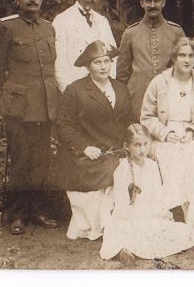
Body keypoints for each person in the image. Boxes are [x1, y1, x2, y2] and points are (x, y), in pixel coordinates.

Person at [0, 0, 60, 235]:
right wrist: (5, 100)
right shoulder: (6, 27)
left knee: (41, 162)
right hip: (17, 109)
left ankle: (36, 210)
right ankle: (15, 214)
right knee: (20, 161)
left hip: (45, 106)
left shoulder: (48, 27)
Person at [56, 40, 136, 240]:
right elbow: (64, 125)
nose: (103, 66)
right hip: (88, 155)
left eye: (107, 61)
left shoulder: (120, 89)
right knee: (113, 170)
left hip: (116, 151)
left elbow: (129, 121)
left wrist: (135, 139)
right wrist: (84, 147)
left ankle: (123, 223)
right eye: (97, 62)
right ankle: (105, 226)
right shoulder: (75, 90)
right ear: (88, 66)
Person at [140, 37, 194, 213]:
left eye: (191, 56)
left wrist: (193, 131)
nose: (187, 60)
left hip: (192, 137)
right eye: (182, 55)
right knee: (174, 158)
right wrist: (164, 133)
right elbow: (146, 117)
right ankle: (179, 211)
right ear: (174, 58)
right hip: (165, 138)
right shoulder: (159, 82)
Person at [100, 124, 194, 263]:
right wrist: (144, 216)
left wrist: (162, 213)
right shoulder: (122, 171)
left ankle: (132, 248)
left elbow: (157, 196)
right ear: (127, 146)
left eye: (146, 144)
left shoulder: (152, 165)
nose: (142, 149)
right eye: (137, 145)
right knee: (130, 232)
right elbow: (122, 208)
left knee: (186, 232)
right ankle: (126, 250)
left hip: (151, 215)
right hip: (129, 217)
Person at [116, 0, 185, 118]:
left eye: (157, 0)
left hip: (169, 97)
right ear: (141, 3)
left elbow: (185, 68)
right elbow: (122, 75)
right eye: (148, 0)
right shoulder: (130, 33)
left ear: (163, 2)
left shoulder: (176, 32)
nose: (152, 5)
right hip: (138, 100)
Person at [53, 0, 117, 92]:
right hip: (75, 89)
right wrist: (68, 92)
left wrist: (109, 86)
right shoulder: (62, 20)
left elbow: (113, 56)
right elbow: (58, 62)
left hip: (102, 89)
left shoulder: (102, 21)